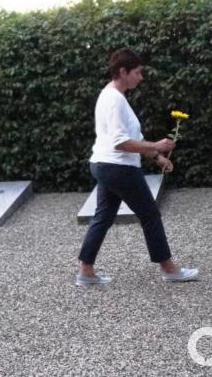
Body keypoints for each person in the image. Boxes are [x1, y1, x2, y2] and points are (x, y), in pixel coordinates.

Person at [76, 48, 198, 287]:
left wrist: (156, 156)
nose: (141, 77)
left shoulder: (112, 96)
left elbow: (127, 136)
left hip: (105, 165)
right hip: (118, 167)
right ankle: (169, 268)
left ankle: (85, 271)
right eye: (138, 72)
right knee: (150, 214)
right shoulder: (114, 100)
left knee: (104, 216)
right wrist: (158, 145)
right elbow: (120, 143)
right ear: (123, 71)